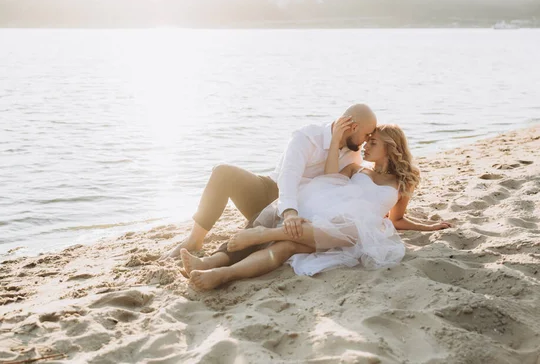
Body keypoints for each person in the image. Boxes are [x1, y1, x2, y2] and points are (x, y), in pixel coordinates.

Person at [181, 124, 452, 291]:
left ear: (391, 148)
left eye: (373, 142)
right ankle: (216, 269)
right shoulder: (356, 167)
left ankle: (258, 238)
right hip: (325, 220)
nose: (366, 145)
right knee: (288, 246)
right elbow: (330, 179)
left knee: (342, 228)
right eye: (367, 141)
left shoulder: (403, 183)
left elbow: (397, 219)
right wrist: (335, 141)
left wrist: (428, 227)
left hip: (357, 231)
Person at [162, 104, 378, 259]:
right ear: (353, 127)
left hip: (306, 208)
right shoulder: (307, 137)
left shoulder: (352, 153)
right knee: (223, 172)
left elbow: (333, 185)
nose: (367, 141)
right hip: (272, 190)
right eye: (367, 135)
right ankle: (194, 240)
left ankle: (217, 259)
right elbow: (288, 177)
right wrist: (290, 211)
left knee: (255, 233)